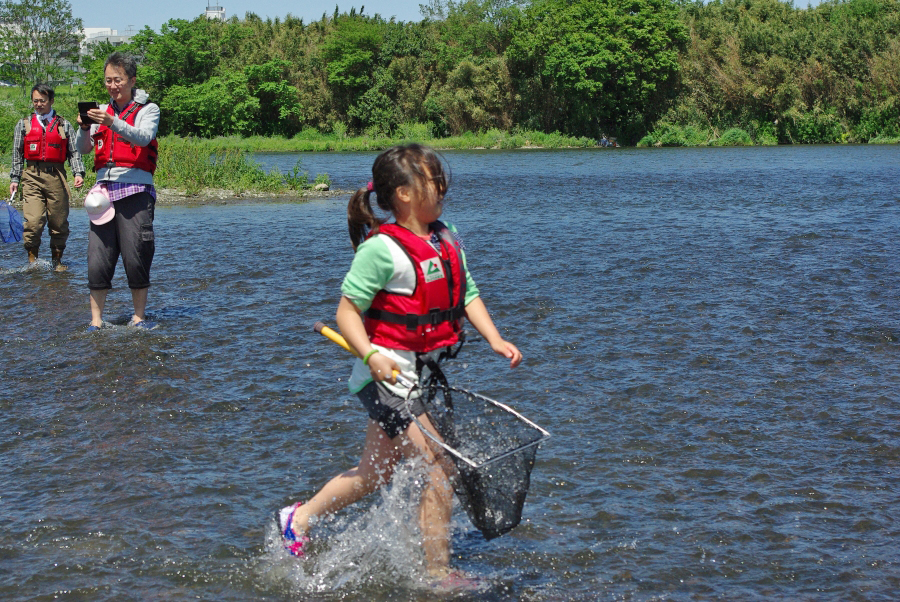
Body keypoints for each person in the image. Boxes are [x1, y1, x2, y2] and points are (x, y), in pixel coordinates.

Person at [278, 144, 522, 584]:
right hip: (386, 377)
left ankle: (299, 518)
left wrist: (495, 338)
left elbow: (467, 294)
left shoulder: (445, 238)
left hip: (418, 374)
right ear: (404, 194)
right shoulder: (381, 250)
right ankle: (437, 574)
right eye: (433, 179)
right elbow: (346, 314)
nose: (443, 186)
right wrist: (370, 355)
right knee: (440, 465)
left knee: (374, 473)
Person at [76, 52, 160, 331]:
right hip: (103, 193)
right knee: (97, 257)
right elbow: (84, 149)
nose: (113, 86)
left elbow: (143, 137)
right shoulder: (100, 110)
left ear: (132, 80)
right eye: (108, 80)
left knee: (136, 254)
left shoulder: (149, 110)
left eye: (118, 80)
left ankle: (138, 318)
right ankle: (96, 321)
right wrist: (85, 128)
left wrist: (111, 122)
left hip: (136, 190)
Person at [9, 83, 86, 271]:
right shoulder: (24, 124)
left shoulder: (64, 125)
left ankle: (57, 261)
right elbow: (17, 154)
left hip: (56, 176)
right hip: (31, 176)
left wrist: (78, 173)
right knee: (33, 221)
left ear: (51, 101)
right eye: (35, 101)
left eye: (42, 101)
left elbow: (74, 152)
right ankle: (32, 262)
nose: (38, 104)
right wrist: (14, 179)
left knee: (58, 222)